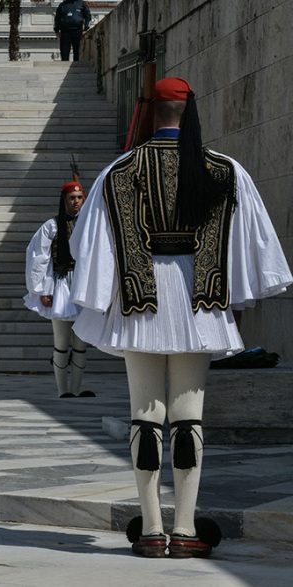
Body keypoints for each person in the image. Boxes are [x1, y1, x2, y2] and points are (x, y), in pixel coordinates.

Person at [70, 77, 293, 559]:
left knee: (144, 415)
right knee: (189, 416)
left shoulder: (119, 172)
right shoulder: (225, 170)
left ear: (151, 111)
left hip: (139, 301)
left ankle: (152, 530)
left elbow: (86, 245)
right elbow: (252, 240)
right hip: (199, 300)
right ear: (190, 110)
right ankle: (187, 528)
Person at [24, 181, 92, 399]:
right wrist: (42, 289)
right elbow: (39, 258)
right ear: (64, 200)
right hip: (61, 284)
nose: (76, 202)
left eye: (79, 198)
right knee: (62, 342)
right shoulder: (51, 226)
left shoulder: (90, 224)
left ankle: (76, 390)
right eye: (72, 198)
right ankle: (63, 391)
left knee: (81, 344)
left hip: (83, 285)